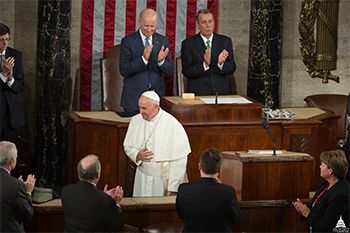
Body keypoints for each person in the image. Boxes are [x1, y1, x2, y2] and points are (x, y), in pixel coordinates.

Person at [123, 90, 191, 197]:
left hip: (162, 179)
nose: (140, 111)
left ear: (156, 107)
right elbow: (127, 146)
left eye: (144, 108)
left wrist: (173, 187)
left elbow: (179, 160)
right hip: (142, 176)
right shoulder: (136, 120)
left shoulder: (172, 124)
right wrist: (137, 155)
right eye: (139, 107)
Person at [119, 8, 174, 116]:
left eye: (152, 26)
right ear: (140, 22)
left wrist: (161, 61)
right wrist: (143, 59)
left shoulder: (162, 41)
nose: (149, 29)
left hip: (156, 100)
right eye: (146, 26)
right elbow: (123, 70)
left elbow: (171, 71)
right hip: (133, 100)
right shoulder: (128, 41)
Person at [176, 148, 241, 232]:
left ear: (199, 166)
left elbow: (181, 216)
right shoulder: (228, 192)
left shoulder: (183, 189)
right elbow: (236, 219)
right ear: (219, 168)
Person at [61, 154, 124, 232]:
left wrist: (104, 196)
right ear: (98, 175)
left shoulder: (66, 191)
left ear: (79, 174)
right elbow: (117, 226)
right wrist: (116, 203)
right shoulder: (105, 201)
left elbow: (86, 203)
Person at [181, 9, 236, 96]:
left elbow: (232, 68)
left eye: (210, 21)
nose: (208, 25)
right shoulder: (188, 44)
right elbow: (187, 71)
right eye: (204, 22)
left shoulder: (225, 41)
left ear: (214, 22)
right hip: (198, 93)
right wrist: (205, 64)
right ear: (198, 24)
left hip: (221, 92)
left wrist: (220, 64)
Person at [293, 150, 349, 232]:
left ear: (330, 170)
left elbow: (327, 227)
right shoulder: (326, 183)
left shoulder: (340, 195)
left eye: (322, 165)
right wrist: (302, 209)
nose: (320, 167)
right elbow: (318, 208)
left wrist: (307, 214)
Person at [0, 141, 36, 232]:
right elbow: (27, 214)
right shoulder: (15, 186)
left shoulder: (15, 185)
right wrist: (27, 192)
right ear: (12, 161)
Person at [0, 23, 25, 143]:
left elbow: (20, 86)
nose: (5, 43)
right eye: (1, 40)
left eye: (7, 39)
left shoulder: (16, 55)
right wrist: (3, 74)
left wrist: (10, 79)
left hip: (11, 117)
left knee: (10, 154)